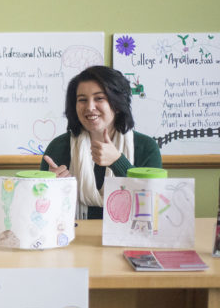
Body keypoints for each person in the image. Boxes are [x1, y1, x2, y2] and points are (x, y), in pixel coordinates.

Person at [40, 65, 162, 219]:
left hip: (128, 238)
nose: (90, 107)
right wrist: (48, 188)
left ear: (117, 104)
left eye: (99, 98)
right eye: (82, 100)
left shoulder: (146, 147)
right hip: (74, 237)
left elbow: (150, 206)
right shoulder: (58, 147)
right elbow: (41, 212)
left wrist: (118, 161)